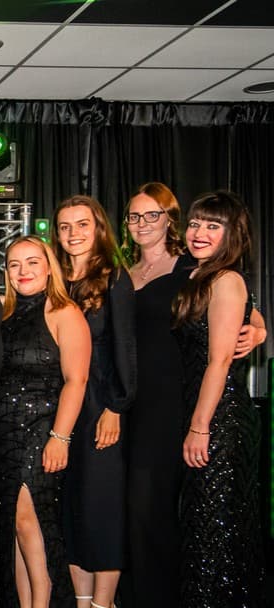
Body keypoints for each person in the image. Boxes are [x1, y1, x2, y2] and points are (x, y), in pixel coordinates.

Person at [119, 182, 266, 607]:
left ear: (169, 219)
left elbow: (237, 312)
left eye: (152, 215)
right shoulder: (123, 272)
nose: (142, 223)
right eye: (134, 216)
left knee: (196, 520)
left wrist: (258, 328)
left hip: (185, 408)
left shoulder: (192, 266)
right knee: (157, 516)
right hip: (135, 407)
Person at [0, 236, 90, 608]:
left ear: (49, 268)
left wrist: (60, 437)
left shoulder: (64, 312)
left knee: (32, 522)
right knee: (14, 527)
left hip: (41, 430)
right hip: (1, 434)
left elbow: (77, 380)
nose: (23, 271)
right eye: (14, 264)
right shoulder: (3, 315)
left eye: (32, 262)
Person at [172, 191, 265, 607]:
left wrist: (200, 427)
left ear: (232, 234)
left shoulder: (226, 279)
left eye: (213, 225)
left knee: (217, 532)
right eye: (195, 223)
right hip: (205, 414)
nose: (199, 232)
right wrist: (259, 324)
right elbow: (246, 313)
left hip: (221, 422)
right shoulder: (200, 275)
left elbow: (220, 360)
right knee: (202, 528)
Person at [52, 196, 136, 608]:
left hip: (101, 409)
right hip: (60, 411)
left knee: (102, 510)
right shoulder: (54, 280)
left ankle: (104, 604)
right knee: (72, 511)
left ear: (99, 227)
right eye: (65, 226)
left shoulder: (114, 278)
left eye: (82, 224)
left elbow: (125, 348)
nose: (73, 234)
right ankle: (82, 601)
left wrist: (116, 407)